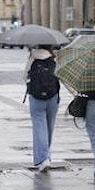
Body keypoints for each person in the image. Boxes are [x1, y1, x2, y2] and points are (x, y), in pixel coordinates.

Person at [23, 45, 60, 173]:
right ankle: (46, 157)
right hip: (52, 97)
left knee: (39, 127)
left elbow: (25, 76)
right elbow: (60, 76)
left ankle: (43, 159)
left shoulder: (33, 57)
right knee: (49, 128)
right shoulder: (54, 58)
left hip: (36, 98)